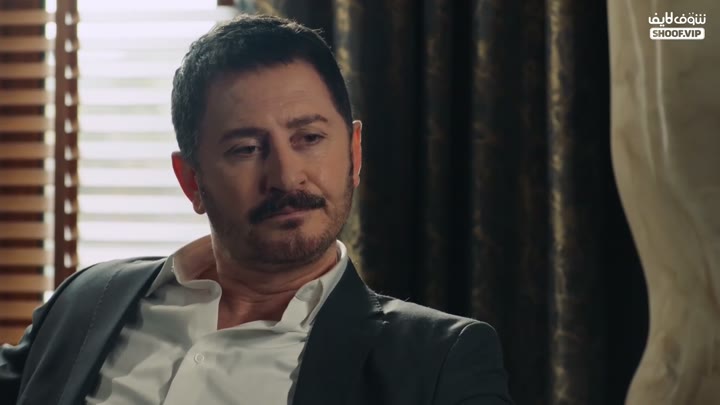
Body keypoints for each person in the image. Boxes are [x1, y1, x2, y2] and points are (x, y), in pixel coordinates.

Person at [0, 14, 512, 405]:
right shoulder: (85, 300)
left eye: (309, 138)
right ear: (191, 181)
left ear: (354, 155)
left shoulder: (438, 361)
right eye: (246, 149)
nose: (286, 178)